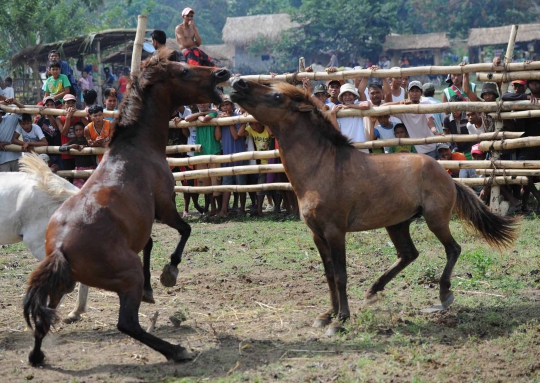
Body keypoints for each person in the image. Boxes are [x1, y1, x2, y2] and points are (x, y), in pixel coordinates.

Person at [502, 79, 540, 213]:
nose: (534, 86)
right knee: (522, 172)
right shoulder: (525, 97)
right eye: (532, 83)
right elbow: (504, 96)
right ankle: (536, 196)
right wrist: (526, 97)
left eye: (537, 83)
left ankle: (529, 203)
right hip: (527, 143)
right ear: (528, 85)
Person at [185, 103, 221, 216]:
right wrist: (201, 114)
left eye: (205, 102)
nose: (203, 104)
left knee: (217, 181)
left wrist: (200, 115)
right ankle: (212, 208)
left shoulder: (213, 113)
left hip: (213, 149)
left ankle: (219, 209)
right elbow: (187, 118)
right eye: (200, 103)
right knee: (206, 183)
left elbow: (205, 119)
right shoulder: (201, 113)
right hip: (201, 152)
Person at [387, 81, 439, 158]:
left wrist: (435, 131)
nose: (414, 94)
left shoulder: (425, 104)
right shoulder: (403, 109)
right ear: (408, 93)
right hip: (415, 150)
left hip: (429, 147)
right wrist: (400, 103)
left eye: (417, 91)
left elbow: (430, 121)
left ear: (421, 93)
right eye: (412, 91)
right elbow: (382, 106)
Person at [215, 95, 247, 217]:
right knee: (226, 183)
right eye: (223, 105)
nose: (225, 107)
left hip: (239, 154)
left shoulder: (238, 118)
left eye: (227, 104)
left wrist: (229, 121)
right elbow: (218, 137)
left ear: (232, 106)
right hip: (227, 154)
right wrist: (218, 123)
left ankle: (242, 209)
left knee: (241, 183)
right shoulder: (220, 119)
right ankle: (223, 210)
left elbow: (236, 136)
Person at [239, 121, 272, 216]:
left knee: (268, 185)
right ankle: (258, 209)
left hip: (270, 160)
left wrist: (264, 122)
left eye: (257, 123)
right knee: (258, 185)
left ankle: (262, 209)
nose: (255, 126)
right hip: (259, 161)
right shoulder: (250, 129)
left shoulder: (266, 129)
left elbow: (271, 133)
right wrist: (244, 122)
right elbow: (240, 133)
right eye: (252, 124)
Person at [329, 83, 371, 152]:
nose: (347, 97)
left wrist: (350, 106)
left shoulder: (358, 105)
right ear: (342, 98)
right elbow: (337, 131)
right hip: (346, 149)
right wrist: (333, 114)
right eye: (345, 95)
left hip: (361, 148)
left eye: (350, 94)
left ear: (354, 97)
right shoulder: (338, 110)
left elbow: (367, 105)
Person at [59, 121, 96, 188]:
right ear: (74, 132)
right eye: (76, 130)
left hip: (91, 167)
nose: (79, 131)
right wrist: (72, 146)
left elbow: (94, 145)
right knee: (78, 189)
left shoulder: (88, 140)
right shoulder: (74, 141)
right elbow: (61, 148)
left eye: (80, 129)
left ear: (84, 130)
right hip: (79, 168)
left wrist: (85, 146)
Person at [57, 94, 87, 174]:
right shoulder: (59, 118)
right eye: (68, 103)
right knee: (68, 176)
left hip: (80, 152)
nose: (70, 105)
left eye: (72, 103)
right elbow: (64, 133)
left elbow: (89, 126)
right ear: (64, 104)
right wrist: (68, 118)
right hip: (67, 153)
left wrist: (80, 115)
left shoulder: (79, 116)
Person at [36, 96, 63, 169]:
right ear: (44, 106)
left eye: (52, 104)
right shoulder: (40, 120)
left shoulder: (58, 117)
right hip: (45, 150)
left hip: (57, 150)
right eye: (47, 105)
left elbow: (56, 127)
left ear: (55, 106)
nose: (50, 106)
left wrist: (50, 116)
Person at [0, 97, 25, 171]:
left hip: (15, 157)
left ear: (1, 114)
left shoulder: (10, 119)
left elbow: (24, 110)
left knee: (19, 180)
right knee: (5, 182)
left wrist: (15, 102)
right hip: (2, 160)